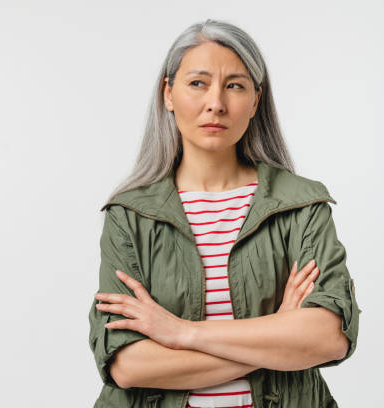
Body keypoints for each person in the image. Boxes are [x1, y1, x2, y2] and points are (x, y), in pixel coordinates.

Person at [88, 19, 361, 408]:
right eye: (198, 83)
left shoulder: (301, 205)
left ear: (255, 100)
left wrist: (181, 333)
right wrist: (277, 336)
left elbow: (329, 338)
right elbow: (128, 365)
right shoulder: (130, 215)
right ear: (168, 93)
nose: (215, 102)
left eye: (234, 85)